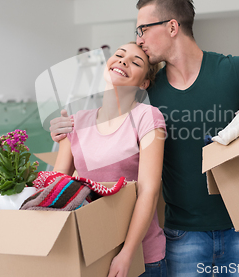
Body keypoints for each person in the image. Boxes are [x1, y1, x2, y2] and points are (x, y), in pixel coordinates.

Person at [51, 0, 239, 277]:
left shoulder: (235, 70)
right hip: (181, 235)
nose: (139, 39)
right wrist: (67, 128)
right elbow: (108, 123)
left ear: (171, 27)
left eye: (142, 29)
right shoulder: (148, 89)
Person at [51, 42, 167, 277]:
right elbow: (56, 189)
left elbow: (149, 192)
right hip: (91, 252)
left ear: (143, 84)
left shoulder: (147, 116)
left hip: (141, 257)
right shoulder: (76, 121)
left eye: (135, 62)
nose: (123, 61)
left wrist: (127, 254)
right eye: (119, 55)